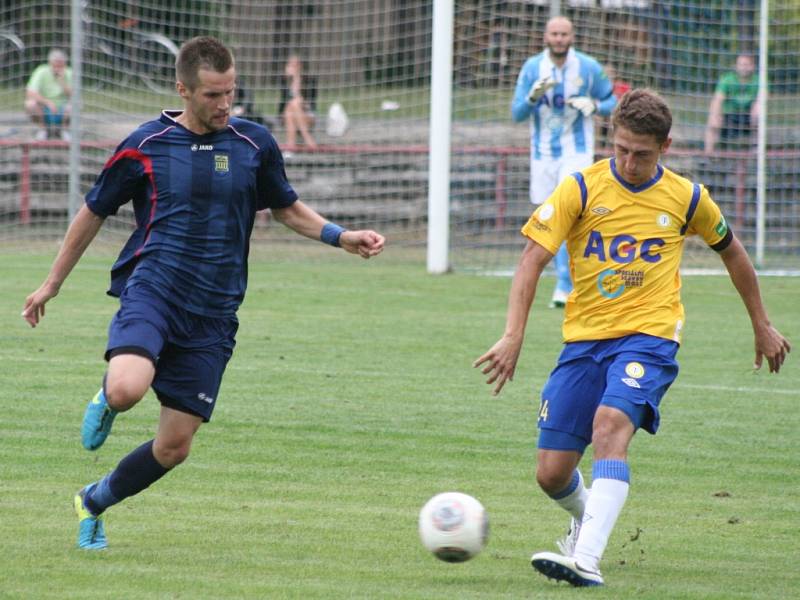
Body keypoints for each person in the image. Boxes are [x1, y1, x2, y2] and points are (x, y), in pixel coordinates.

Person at [21, 36, 385, 551]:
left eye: (230, 92)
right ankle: (107, 396)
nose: (224, 104)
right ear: (183, 90)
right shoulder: (145, 145)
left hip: (215, 312)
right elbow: (93, 210)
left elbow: (286, 207)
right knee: (128, 388)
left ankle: (94, 501)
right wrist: (51, 284)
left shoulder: (254, 144)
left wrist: (341, 236)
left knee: (174, 447)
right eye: (213, 95)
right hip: (155, 290)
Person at [475, 89, 789, 587]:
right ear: (611, 139)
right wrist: (514, 335)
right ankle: (587, 520)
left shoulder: (688, 197)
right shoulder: (580, 188)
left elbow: (733, 253)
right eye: (621, 149)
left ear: (664, 146)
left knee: (610, 424)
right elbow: (531, 259)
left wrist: (762, 323)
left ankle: (587, 560)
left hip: (650, 337)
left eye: (641, 153)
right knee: (551, 473)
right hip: (584, 342)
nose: (629, 162)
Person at [512, 16, 617, 309]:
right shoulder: (533, 68)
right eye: (554, 34)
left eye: (564, 34)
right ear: (546, 37)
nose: (559, 38)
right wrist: (533, 97)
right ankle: (563, 280)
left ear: (572, 37)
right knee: (548, 217)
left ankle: (565, 283)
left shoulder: (588, 67)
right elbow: (517, 113)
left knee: (570, 214)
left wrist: (594, 106)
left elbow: (613, 102)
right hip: (543, 153)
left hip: (577, 150)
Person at [705, 54, 760, 154]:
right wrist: (715, 115)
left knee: (758, 111)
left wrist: (756, 110)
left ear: (752, 66)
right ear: (736, 66)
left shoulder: (758, 80)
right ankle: (708, 154)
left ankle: (756, 150)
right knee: (713, 120)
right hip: (729, 115)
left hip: (748, 116)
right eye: (741, 64)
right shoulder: (727, 79)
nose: (743, 67)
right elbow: (718, 100)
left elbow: (762, 99)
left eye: (746, 64)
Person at [25, 48, 72, 141]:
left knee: (76, 104)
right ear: (50, 63)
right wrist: (47, 102)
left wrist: (62, 81)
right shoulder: (41, 71)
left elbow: (74, 95)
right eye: (55, 65)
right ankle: (42, 130)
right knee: (30, 104)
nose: (57, 69)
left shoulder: (69, 72)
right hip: (45, 109)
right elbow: (30, 92)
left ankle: (64, 131)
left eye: (60, 65)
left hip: (63, 109)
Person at [279, 54, 317, 151]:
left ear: (300, 66)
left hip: (307, 114)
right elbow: (285, 103)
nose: (292, 67)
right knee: (291, 106)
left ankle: (290, 147)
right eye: (290, 64)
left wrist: (296, 78)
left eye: (295, 65)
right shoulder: (284, 81)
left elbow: (311, 105)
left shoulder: (310, 81)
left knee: (294, 104)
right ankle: (307, 138)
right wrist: (291, 81)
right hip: (287, 115)